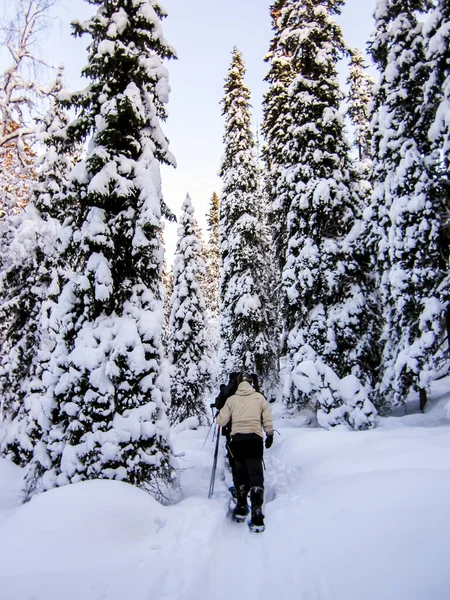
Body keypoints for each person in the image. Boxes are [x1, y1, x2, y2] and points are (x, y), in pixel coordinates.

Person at [216, 371, 274, 531]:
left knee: (239, 472)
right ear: (250, 383)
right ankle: (257, 511)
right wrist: (269, 434)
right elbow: (267, 418)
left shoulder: (231, 399)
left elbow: (221, 420)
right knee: (256, 474)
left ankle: (242, 506)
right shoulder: (259, 397)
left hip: (238, 441)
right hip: (255, 440)